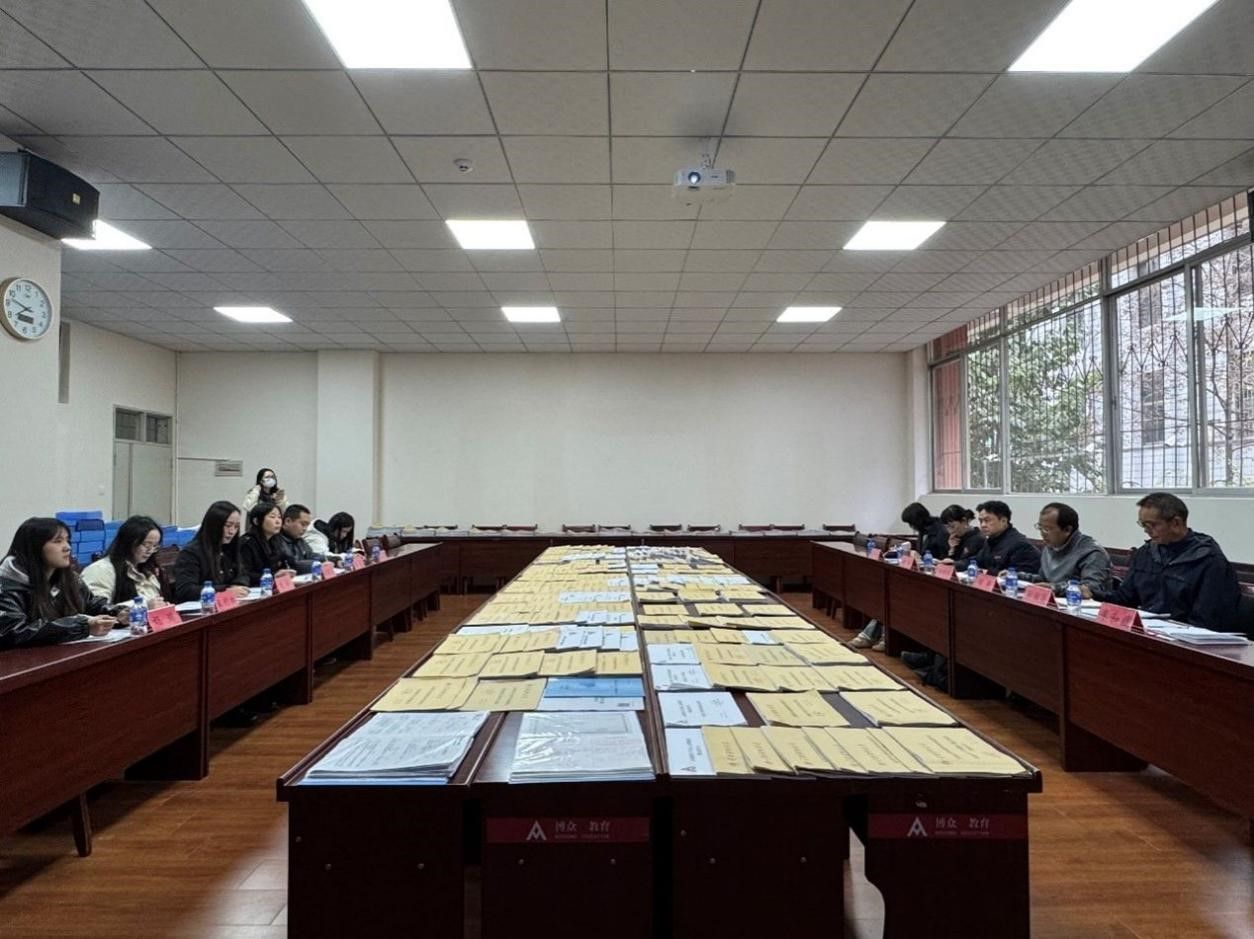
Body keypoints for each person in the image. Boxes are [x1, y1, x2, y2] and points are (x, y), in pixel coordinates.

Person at [1086, 492, 1240, 631]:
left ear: (1176, 523)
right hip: (1148, 633)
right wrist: (1094, 594)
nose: (1146, 530)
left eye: (1152, 525)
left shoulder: (1209, 560)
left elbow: (1208, 620)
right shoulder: (1146, 553)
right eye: (1143, 524)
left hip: (1185, 639)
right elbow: (1125, 599)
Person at [0, 517, 124, 649]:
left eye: (67, 540)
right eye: (58, 541)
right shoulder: (7, 584)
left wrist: (117, 613)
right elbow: (14, 632)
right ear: (34, 547)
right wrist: (82, 626)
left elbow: (90, 604)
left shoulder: (68, 578)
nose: (67, 547)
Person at [851, 503, 948, 652]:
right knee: (891, 596)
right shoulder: (924, 530)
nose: (911, 527)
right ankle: (874, 635)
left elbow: (942, 559)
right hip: (921, 576)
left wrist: (922, 558)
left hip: (934, 582)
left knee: (897, 599)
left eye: (911, 523)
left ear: (918, 519)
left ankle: (879, 636)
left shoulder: (940, 531)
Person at [82, 515, 171, 606]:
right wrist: (144, 606)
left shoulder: (147, 570)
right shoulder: (100, 570)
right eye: (146, 545)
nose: (150, 551)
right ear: (129, 542)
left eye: (155, 546)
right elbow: (96, 608)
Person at [173, 501, 250, 603]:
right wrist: (225, 590)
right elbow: (186, 590)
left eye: (236, 527)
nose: (232, 531)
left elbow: (243, 574)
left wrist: (239, 585)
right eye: (228, 525)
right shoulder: (191, 552)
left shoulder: (230, 547)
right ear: (214, 525)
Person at [1026, 502, 1112, 594]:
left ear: (1067, 530)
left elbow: (1089, 589)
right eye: (1040, 527)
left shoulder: (1093, 553)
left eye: (1047, 529)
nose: (1042, 533)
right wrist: (1018, 576)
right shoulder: (1051, 546)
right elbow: (1044, 580)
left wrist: (1054, 588)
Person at [972, 500, 1041, 575]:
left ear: (1003, 521)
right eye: (981, 521)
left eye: (987, 520)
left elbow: (1016, 576)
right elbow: (977, 562)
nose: (983, 525)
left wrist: (985, 572)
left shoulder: (1020, 545)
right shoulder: (991, 541)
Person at [239, 502, 291, 586]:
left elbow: (283, 563)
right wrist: (273, 576)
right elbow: (245, 574)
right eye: (272, 517)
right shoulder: (247, 543)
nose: (278, 521)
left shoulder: (276, 540)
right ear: (256, 521)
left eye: (279, 517)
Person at [277, 504, 319, 574]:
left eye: (307, 525)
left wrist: (332, 560)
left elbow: (311, 555)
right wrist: (317, 564)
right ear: (287, 521)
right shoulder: (276, 540)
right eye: (303, 524)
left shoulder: (299, 540)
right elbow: (293, 564)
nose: (305, 529)